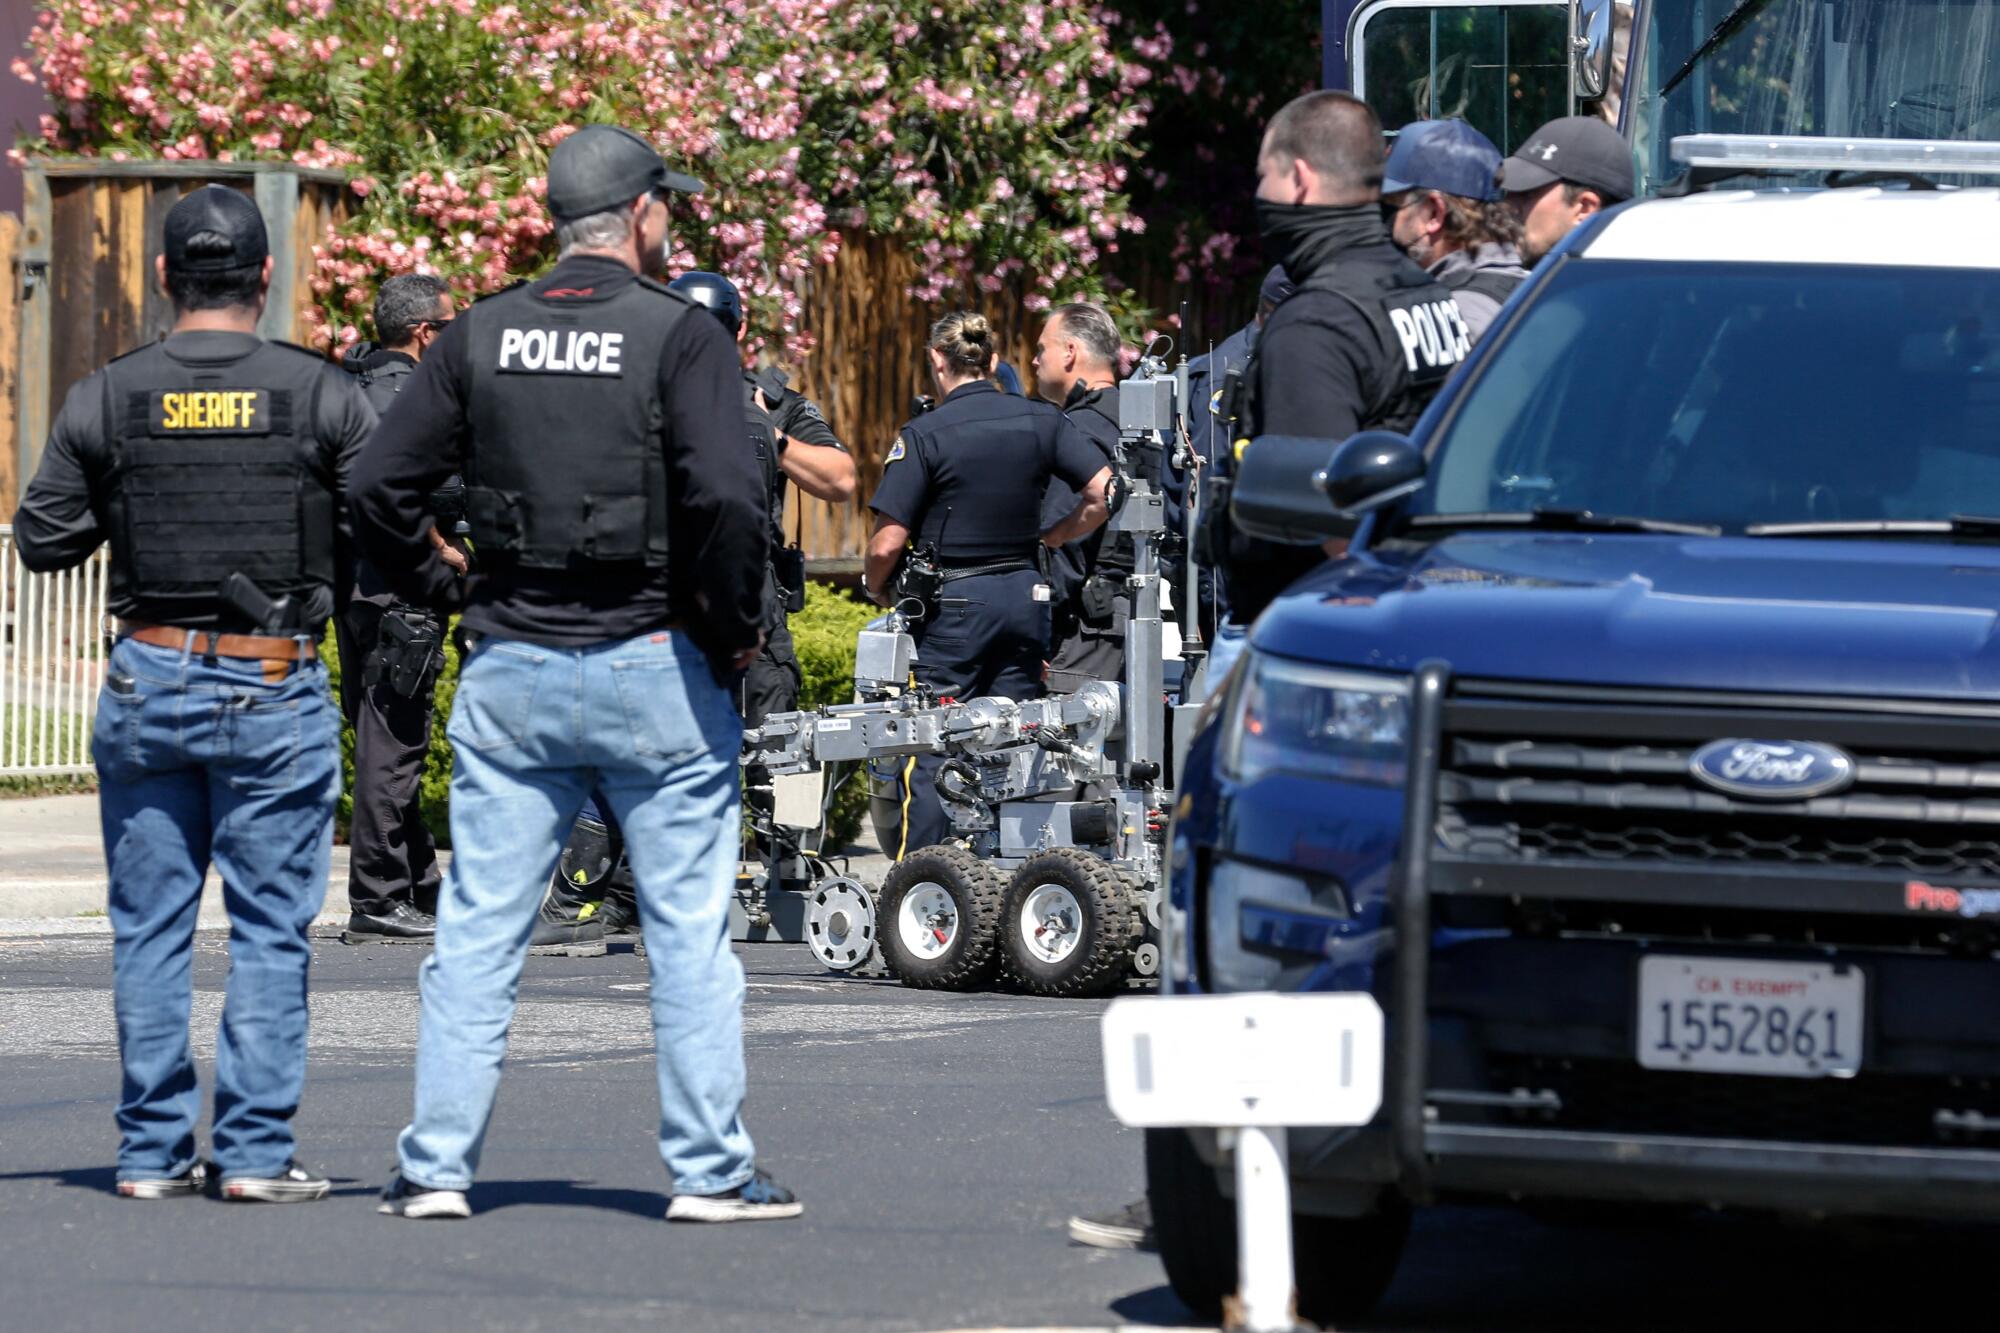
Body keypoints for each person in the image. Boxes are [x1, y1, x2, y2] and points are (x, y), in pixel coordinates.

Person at [349, 124, 801, 1223]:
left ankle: (435, 1167)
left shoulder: (477, 335)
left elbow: (376, 484)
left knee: (477, 935)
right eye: (670, 210)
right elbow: (730, 498)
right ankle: (708, 1172)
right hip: (656, 661)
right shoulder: (681, 337)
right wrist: (733, 629)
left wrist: (449, 581)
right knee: (688, 935)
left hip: (514, 664)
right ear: (641, 214)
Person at [12, 185, 375, 1202]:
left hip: (149, 675)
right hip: (273, 679)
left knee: (151, 926)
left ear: (165, 277)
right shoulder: (323, 394)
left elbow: (44, 540)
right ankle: (255, 1155)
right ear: (266, 276)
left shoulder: (108, 394)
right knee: (267, 927)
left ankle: (150, 1151)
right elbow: (381, 525)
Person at [529, 271, 857, 950]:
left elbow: (842, 478)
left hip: (733, 597)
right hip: (693, 597)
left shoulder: (771, 405)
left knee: (773, 744)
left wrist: (769, 435)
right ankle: (617, 896)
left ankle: (780, 886)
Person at [1216, 90, 1466, 630]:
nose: (1261, 193)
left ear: (1299, 179)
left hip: (1327, 623)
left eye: (1266, 176)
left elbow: (1329, 520)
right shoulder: (1422, 289)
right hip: (1422, 590)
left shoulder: (1316, 322)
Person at [865, 311, 1111, 855]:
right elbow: (1104, 491)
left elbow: (886, 542)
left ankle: (924, 889)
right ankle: (1013, 877)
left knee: (929, 742)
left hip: (953, 606)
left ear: (937, 361)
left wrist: (875, 586)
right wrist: (1054, 537)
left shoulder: (926, 433)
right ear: (993, 361)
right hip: (1026, 599)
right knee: (1017, 742)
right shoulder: (1042, 419)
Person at [339, 272, 463, 943]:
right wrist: (444, 548)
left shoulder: (348, 384)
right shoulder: (415, 398)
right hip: (400, 594)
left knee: (383, 737)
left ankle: (417, 882)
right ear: (425, 332)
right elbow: (395, 492)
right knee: (394, 747)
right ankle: (379, 896)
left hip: (353, 593)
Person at [1032, 300, 1126, 694]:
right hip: (1129, 624)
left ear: (1070, 352)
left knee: (1063, 748)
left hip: (1083, 635)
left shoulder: (1079, 430)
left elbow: (1061, 544)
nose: (1035, 361)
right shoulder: (1137, 421)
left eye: (1041, 349)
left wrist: (1036, 626)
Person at [1381, 119, 1528, 344]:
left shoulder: (1458, 319)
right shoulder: (1538, 285)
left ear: (1434, 214)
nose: (1386, 220)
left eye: (1392, 205)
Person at [1498, 114, 1637, 268]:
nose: (1507, 206)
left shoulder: (1619, 288)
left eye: (1528, 194)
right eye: (1508, 192)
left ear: (1585, 208)